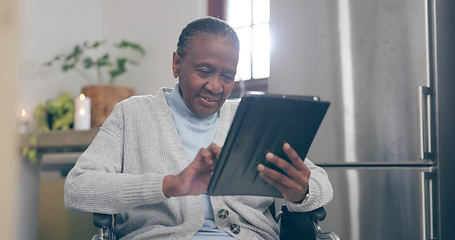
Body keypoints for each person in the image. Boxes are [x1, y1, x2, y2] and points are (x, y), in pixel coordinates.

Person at [64, 16, 333, 240]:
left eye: (227, 76)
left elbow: (321, 182)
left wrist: (301, 192)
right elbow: (77, 189)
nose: (216, 87)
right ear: (177, 63)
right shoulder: (132, 113)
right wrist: (171, 184)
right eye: (204, 72)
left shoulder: (248, 117)